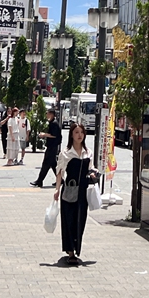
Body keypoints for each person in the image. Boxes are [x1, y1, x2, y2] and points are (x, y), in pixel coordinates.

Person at [54, 123, 97, 265]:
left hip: (83, 192)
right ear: (71, 135)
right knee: (69, 220)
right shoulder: (66, 153)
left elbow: (91, 168)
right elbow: (60, 171)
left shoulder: (88, 153)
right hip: (69, 190)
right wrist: (57, 189)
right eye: (76, 132)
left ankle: (77, 247)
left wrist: (93, 173)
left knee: (80, 219)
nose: (79, 135)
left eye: (81, 132)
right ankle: (70, 251)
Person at [31, 108, 63, 187]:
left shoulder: (54, 123)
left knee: (46, 164)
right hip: (51, 146)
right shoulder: (52, 122)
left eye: (47, 113)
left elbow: (54, 135)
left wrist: (44, 134)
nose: (46, 115)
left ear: (51, 114)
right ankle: (61, 180)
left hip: (52, 147)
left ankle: (39, 181)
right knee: (53, 165)